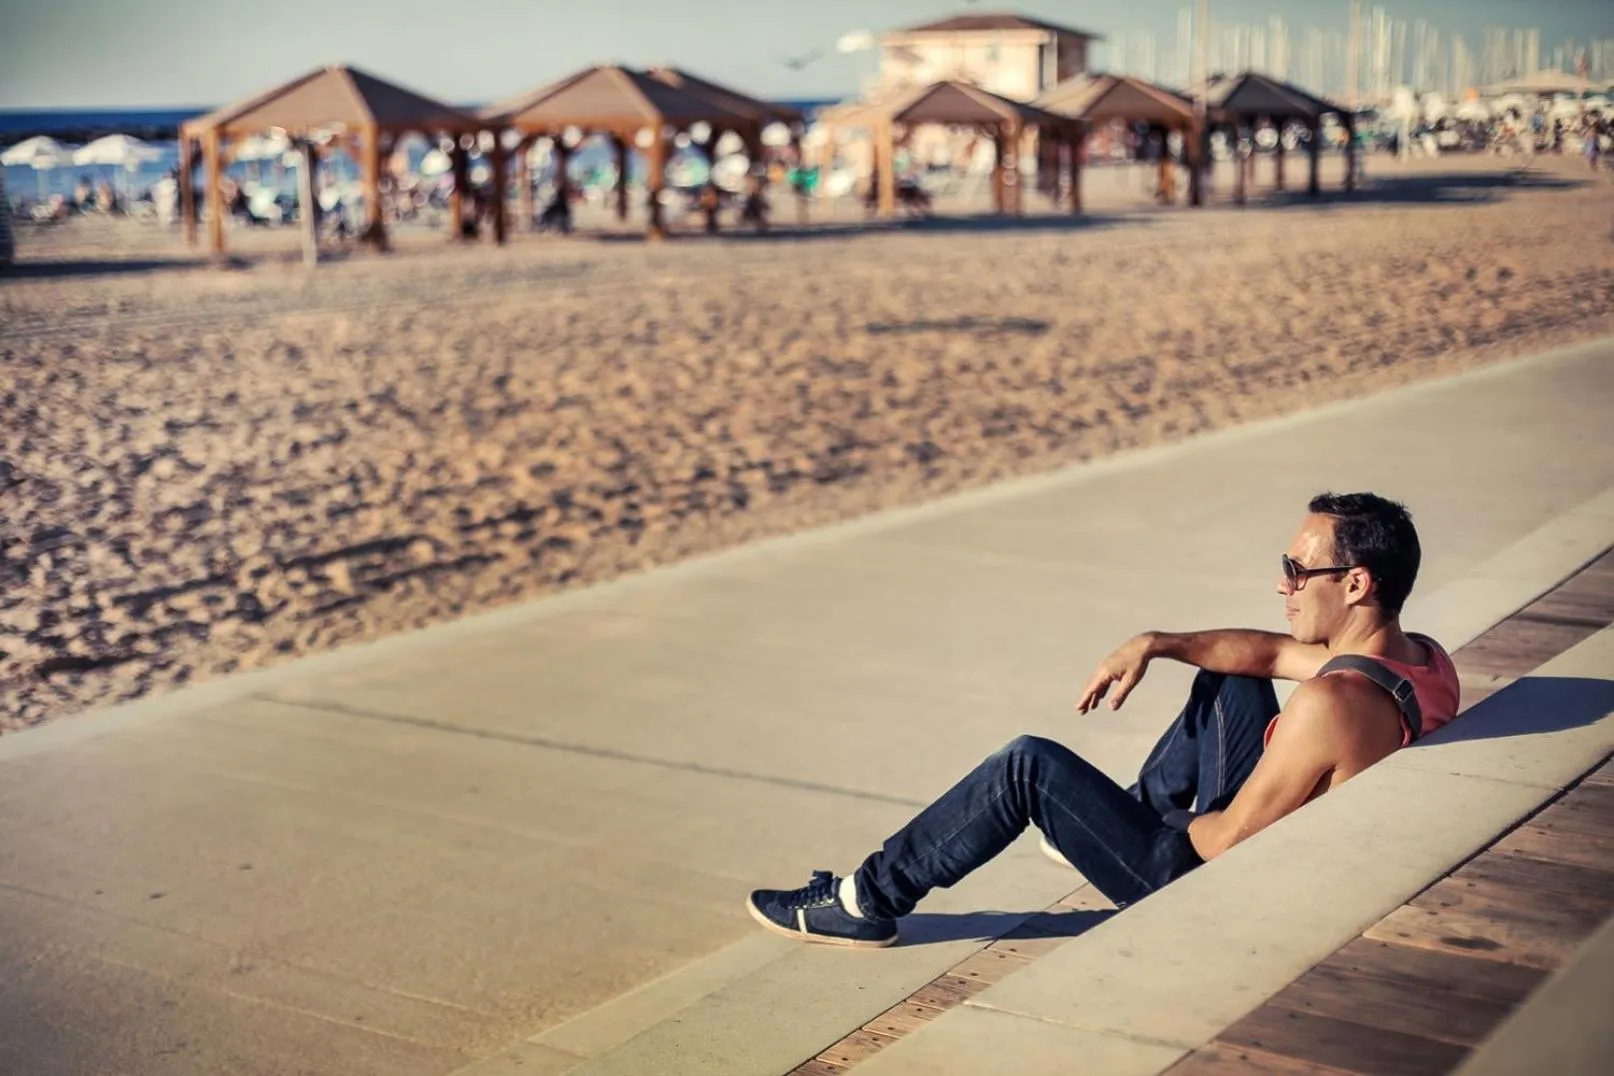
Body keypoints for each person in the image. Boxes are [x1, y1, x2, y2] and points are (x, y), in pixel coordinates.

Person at [747, 492, 1461, 947]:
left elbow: (1225, 845)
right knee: (1231, 672)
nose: (1283, 584)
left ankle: (864, 900)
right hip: (1281, 845)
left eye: (1298, 571)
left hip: (1211, 883)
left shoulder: (1330, 705)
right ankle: (1120, 816)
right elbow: (1269, 653)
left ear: (1356, 583)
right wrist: (1158, 642)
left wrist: (1169, 824)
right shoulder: (1421, 662)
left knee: (1026, 766)